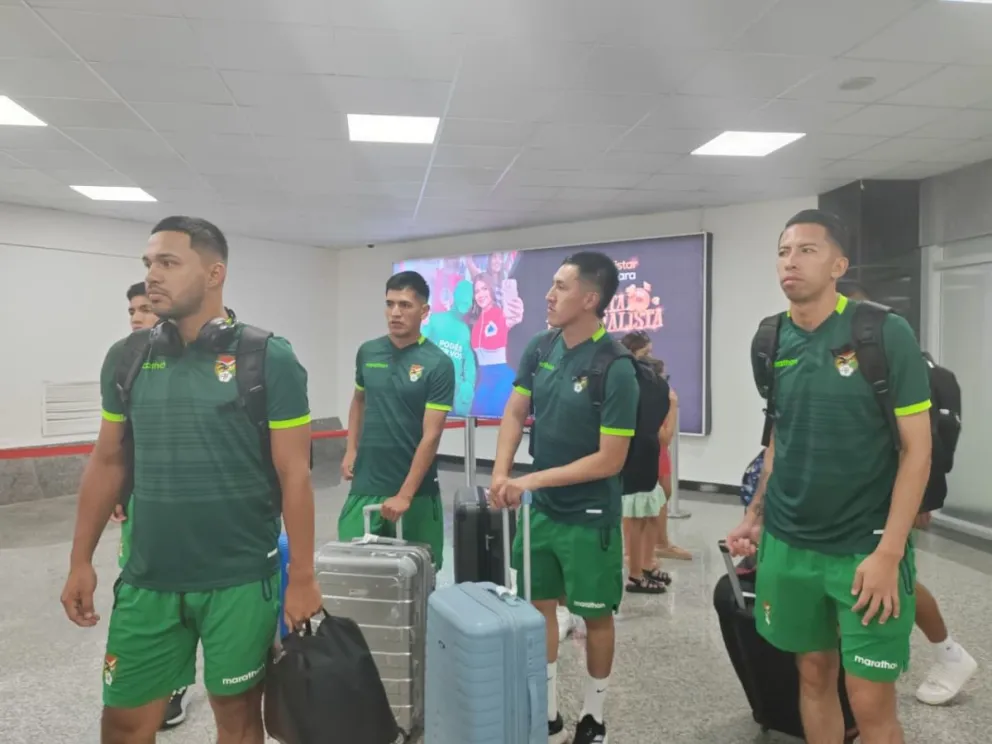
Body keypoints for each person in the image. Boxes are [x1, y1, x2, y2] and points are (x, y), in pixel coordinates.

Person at [60, 216, 321, 744]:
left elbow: (295, 473)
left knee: (238, 718)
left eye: (169, 262)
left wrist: (303, 578)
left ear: (214, 273)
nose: (152, 275)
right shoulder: (128, 358)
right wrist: (79, 560)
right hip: (148, 578)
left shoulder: (266, 357)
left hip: (241, 579)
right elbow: (107, 461)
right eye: (148, 263)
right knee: (125, 721)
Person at [728, 209, 932, 744]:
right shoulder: (769, 341)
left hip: (863, 550)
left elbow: (918, 449)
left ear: (838, 264)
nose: (790, 261)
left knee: (870, 701)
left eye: (807, 250)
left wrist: (889, 553)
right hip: (789, 546)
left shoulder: (882, 333)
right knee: (813, 674)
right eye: (783, 251)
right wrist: (755, 515)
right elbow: (779, 435)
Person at [491, 251, 639, 744]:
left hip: (589, 515)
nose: (548, 296)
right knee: (539, 611)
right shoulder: (540, 346)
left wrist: (531, 481)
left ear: (591, 299)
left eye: (561, 287)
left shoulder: (615, 367)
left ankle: (593, 714)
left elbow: (610, 460)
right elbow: (515, 412)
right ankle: (548, 708)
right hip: (542, 515)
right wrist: (502, 470)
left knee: (595, 615)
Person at [838, 279, 977, 706]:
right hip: (844, 499)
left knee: (894, 578)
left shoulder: (916, 368)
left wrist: (924, 500)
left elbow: (933, 440)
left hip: (891, 498)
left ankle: (949, 652)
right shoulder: (840, 360)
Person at [112, 282, 191, 731]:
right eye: (132, 311)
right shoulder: (128, 363)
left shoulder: (193, 365)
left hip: (193, 507)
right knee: (142, 586)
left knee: (188, 594)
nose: (138, 318)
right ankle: (157, 682)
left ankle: (176, 688)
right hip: (143, 500)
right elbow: (120, 441)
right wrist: (119, 494)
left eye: (145, 309)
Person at [339, 271, 456, 569]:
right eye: (390, 304)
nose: (395, 313)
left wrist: (405, 494)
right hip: (366, 484)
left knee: (418, 577)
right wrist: (351, 449)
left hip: (414, 492)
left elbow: (432, 435)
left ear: (424, 311)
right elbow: (359, 400)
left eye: (405, 305)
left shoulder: (438, 363)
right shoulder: (368, 352)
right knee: (353, 573)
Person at [618, 332, 668, 594]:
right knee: (634, 519)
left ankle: (647, 564)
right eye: (646, 352)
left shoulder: (653, 384)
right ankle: (635, 574)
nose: (651, 358)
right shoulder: (627, 381)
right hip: (632, 455)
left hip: (647, 452)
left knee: (649, 514)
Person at [423, 279, 477, 417]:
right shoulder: (435, 320)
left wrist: (468, 385)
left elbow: (468, 359)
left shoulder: (465, 330)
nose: (466, 302)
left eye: (470, 298)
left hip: (455, 395)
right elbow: (417, 351)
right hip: (431, 392)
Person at [470, 272, 520, 418]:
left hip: (501, 378)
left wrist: (515, 310)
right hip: (483, 379)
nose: (481, 294)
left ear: (491, 290)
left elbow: (512, 317)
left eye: (484, 289)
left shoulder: (500, 314)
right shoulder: (476, 323)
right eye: (477, 291)